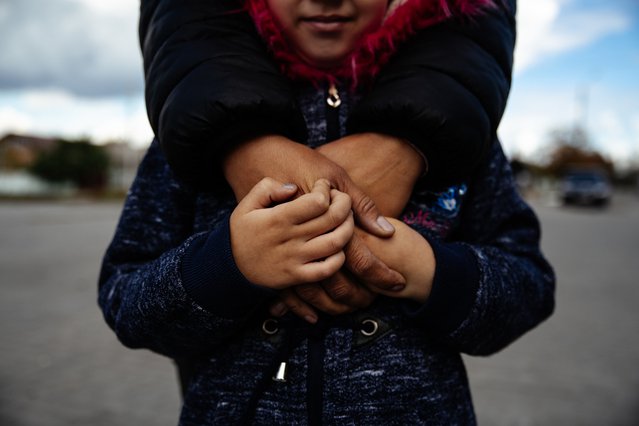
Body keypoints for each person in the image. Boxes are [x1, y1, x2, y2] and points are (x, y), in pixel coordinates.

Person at [100, 0, 555, 424]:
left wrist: (424, 268)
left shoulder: (460, 133)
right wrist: (230, 263)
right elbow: (126, 297)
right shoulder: (191, 135)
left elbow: (529, 283)